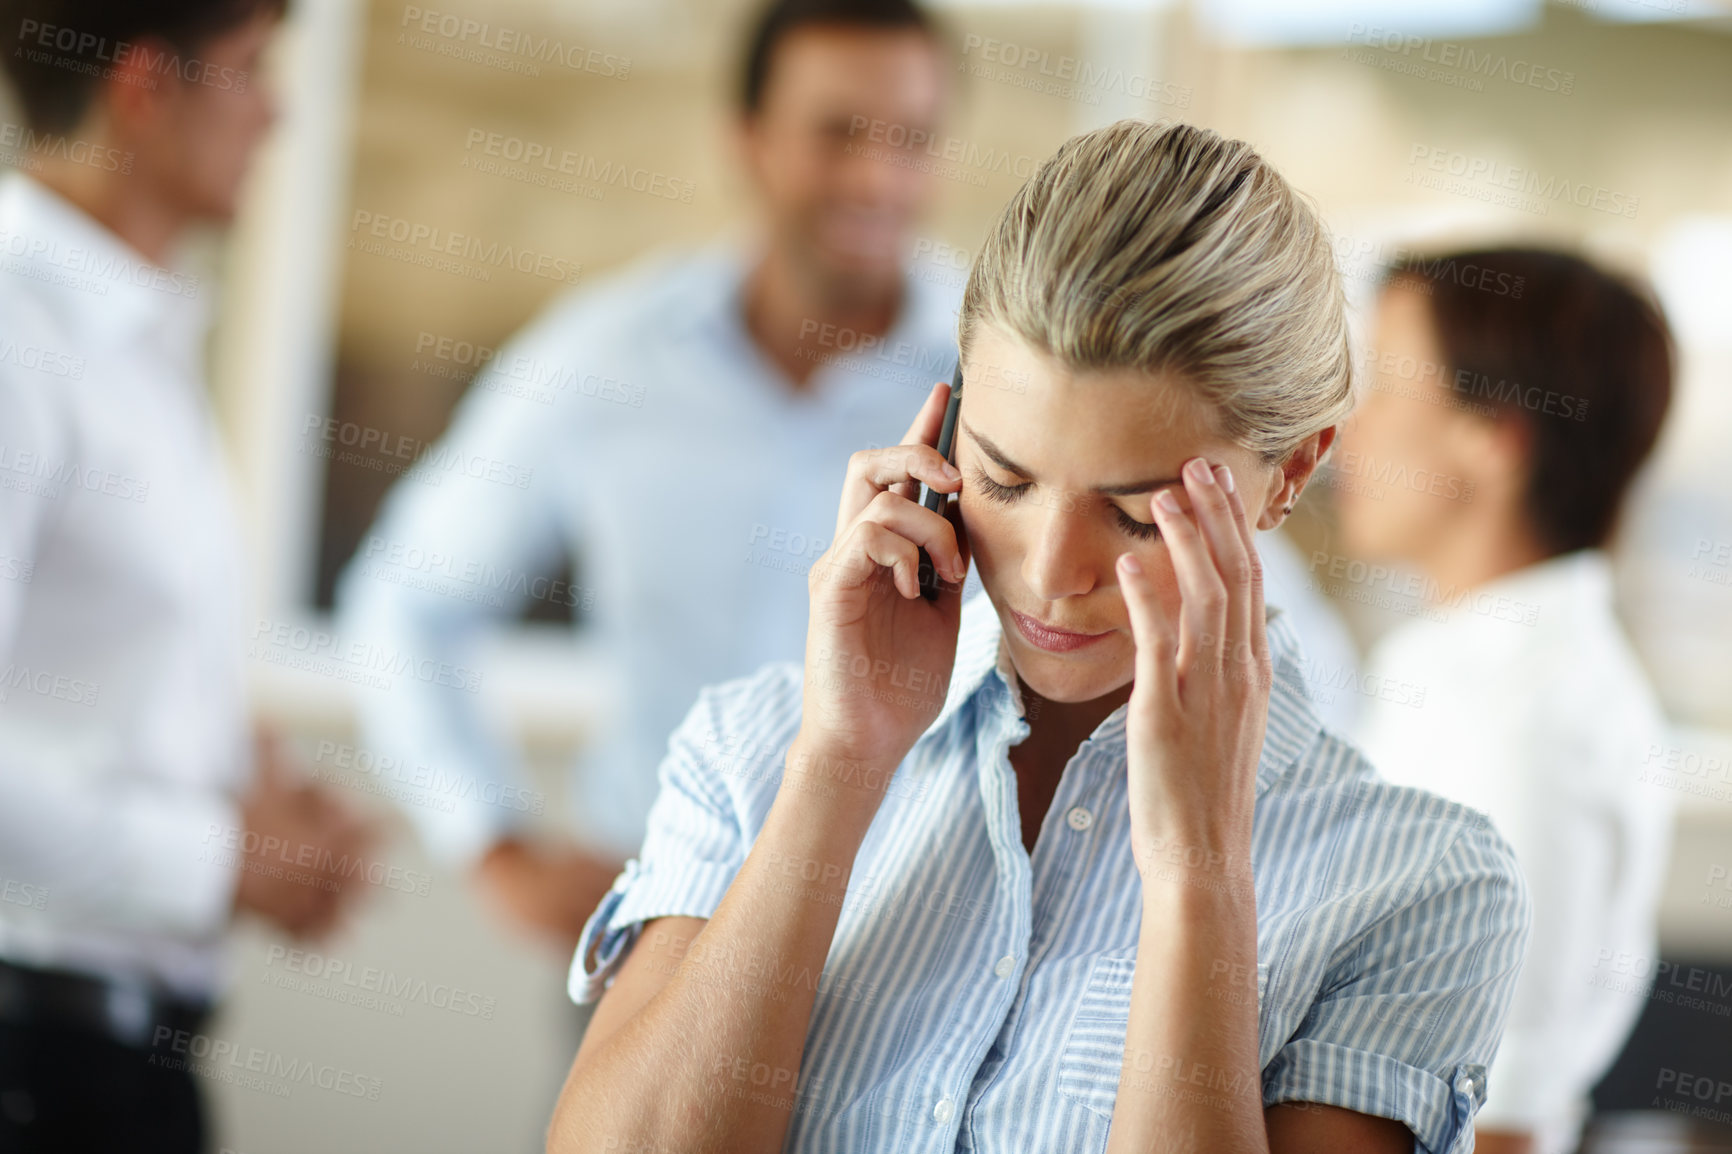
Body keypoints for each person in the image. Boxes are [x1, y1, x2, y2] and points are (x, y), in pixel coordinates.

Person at [548, 120, 1531, 1154]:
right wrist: (839, 767)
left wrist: (1197, 872)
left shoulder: (1420, 887)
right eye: (1004, 478)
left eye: (1138, 512)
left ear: (1288, 473)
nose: (1051, 571)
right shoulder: (749, 753)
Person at [333, 0, 960, 953]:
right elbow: (405, 600)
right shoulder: (606, 357)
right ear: (748, 141)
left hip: (911, 954)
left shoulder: (1003, 378)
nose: (877, 177)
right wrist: (494, 843)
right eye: (838, 134)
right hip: (651, 940)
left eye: (910, 140)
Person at [0, 2, 377, 1150]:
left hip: (120, 1062)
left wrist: (247, 785)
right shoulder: (19, 335)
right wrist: (224, 860)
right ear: (146, 86)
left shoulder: (133, 336)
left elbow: (86, 675)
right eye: (251, 70)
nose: (278, 112)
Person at [1338, 248, 1677, 1154]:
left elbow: (1501, 1114)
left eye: (1382, 389)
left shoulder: (1534, 716)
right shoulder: (1461, 670)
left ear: (1493, 437)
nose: (1347, 431)